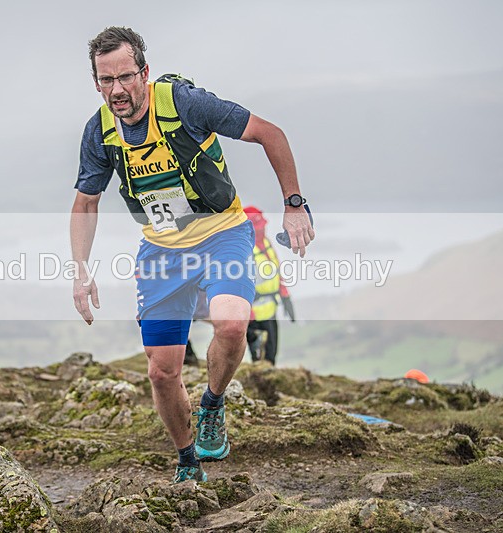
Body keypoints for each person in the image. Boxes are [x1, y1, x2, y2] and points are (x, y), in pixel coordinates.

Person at [70, 26, 314, 483]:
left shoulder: (186, 104)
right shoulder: (100, 132)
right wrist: (80, 271)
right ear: (96, 82)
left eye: (125, 77)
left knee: (231, 321)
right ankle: (187, 461)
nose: (117, 90)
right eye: (106, 81)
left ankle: (213, 406)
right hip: (162, 250)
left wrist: (294, 204)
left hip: (222, 233)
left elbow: (270, 133)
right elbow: (86, 202)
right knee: (163, 371)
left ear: (145, 72)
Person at [243, 206, 296, 366]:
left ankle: (269, 384)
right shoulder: (243, 250)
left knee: (271, 357)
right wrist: (247, 314)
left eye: (263, 226)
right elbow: (240, 285)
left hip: (270, 311)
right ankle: (261, 386)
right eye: (259, 228)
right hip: (253, 317)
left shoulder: (266, 243)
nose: (262, 230)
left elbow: (276, 271)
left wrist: (285, 296)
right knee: (260, 361)